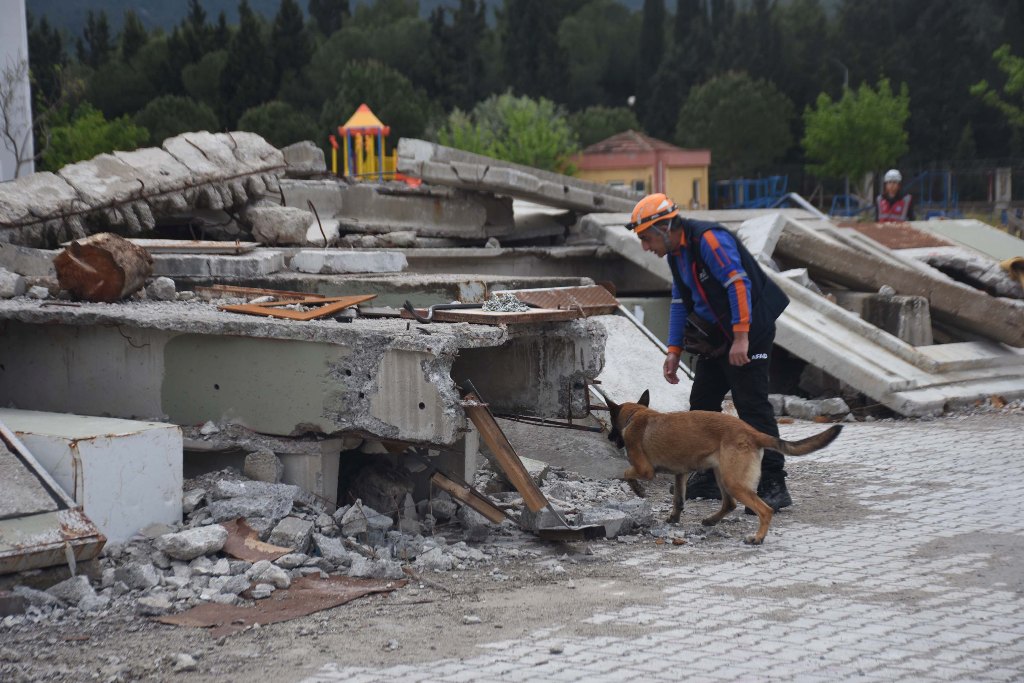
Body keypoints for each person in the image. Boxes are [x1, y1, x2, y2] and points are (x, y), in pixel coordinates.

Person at [625, 193, 793, 511]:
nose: (646, 247)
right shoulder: (677, 254)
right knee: (702, 402)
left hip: (749, 331)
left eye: (646, 238)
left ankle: (773, 483)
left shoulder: (710, 240)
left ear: (664, 228)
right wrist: (673, 350)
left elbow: (738, 284)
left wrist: (742, 338)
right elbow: (679, 301)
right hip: (717, 337)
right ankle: (708, 475)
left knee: (752, 405)